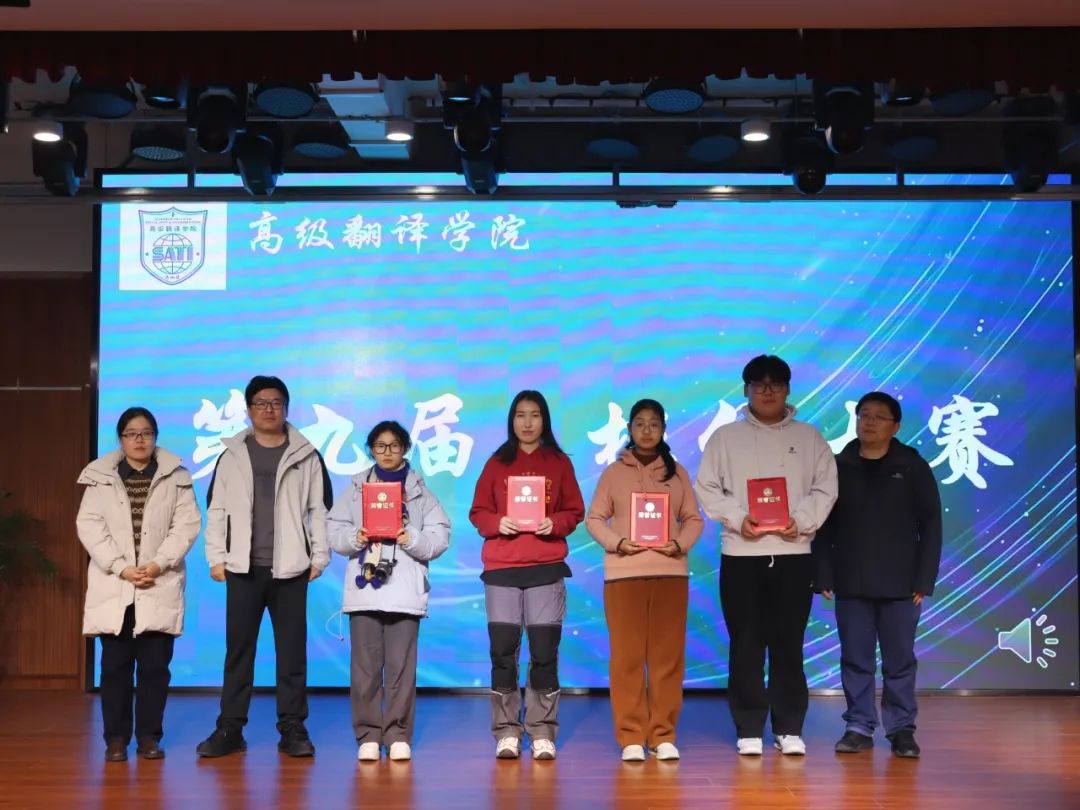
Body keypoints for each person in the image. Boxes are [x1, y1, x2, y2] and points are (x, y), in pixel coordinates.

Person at [695, 355, 837, 757]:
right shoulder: (725, 438)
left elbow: (826, 487)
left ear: (788, 389)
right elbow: (707, 487)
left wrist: (802, 521)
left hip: (793, 553)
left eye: (776, 384)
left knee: (789, 643)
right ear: (746, 390)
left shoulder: (809, 437)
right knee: (746, 643)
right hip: (742, 554)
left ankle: (789, 727)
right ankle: (749, 727)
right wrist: (738, 518)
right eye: (759, 384)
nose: (768, 391)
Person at [196, 375, 331, 758]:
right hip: (243, 569)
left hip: (290, 569)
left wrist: (319, 556)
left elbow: (319, 509)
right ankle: (230, 728)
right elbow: (217, 509)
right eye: (261, 402)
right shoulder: (231, 454)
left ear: (286, 408)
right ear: (249, 409)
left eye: (276, 403)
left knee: (292, 653)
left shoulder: (306, 454)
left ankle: (293, 728)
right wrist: (216, 557)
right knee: (238, 652)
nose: (268, 409)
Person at [813, 391, 942, 759]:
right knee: (856, 659)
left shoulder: (912, 466)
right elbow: (822, 525)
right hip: (851, 580)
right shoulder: (838, 466)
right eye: (864, 415)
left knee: (899, 661)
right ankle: (858, 726)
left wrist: (924, 580)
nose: (869, 422)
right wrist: (823, 573)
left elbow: (931, 524)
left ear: (895, 426)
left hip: (902, 584)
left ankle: (901, 729)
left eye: (879, 417)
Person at [76, 406, 201, 762]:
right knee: (114, 669)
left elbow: (186, 525)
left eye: (146, 433)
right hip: (115, 584)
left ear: (155, 437)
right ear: (121, 439)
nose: (139, 440)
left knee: (154, 669)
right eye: (131, 434)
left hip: (157, 582)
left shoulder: (176, 476)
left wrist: (158, 564)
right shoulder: (100, 476)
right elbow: (90, 526)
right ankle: (116, 739)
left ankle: (148, 737)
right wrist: (121, 567)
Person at [469, 390, 585, 761]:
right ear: (512, 420)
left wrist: (556, 523)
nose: (528, 422)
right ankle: (506, 730)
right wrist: (496, 522)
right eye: (520, 415)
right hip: (502, 570)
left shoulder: (559, 463)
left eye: (534, 415)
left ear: (544, 420)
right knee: (503, 654)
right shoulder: (496, 463)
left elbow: (575, 511)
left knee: (544, 653)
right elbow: (478, 512)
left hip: (546, 569)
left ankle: (542, 731)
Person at [586, 398, 703, 762]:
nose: (647, 430)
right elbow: (594, 519)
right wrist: (618, 543)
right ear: (630, 429)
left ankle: (663, 734)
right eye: (640, 423)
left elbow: (693, 519)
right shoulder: (613, 473)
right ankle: (632, 736)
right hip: (624, 575)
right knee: (627, 658)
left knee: (667, 658)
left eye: (654, 424)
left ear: (664, 429)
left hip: (670, 574)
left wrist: (678, 545)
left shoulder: (677, 472)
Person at [328, 420, 450, 763]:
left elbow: (440, 537)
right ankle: (368, 735)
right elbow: (333, 530)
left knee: (400, 670)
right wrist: (355, 537)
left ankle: (397, 734)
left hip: (404, 593)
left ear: (405, 449)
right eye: (380, 446)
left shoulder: (420, 492)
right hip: (365, 591)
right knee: (365, 670)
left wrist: (411, 537)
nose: (387, 452)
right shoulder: (356, 489)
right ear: (371, 450)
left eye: (394, 445)